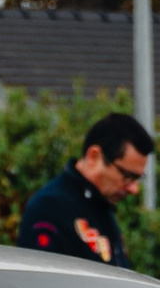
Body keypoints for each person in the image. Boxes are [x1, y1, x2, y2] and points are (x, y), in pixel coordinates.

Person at [19, 112, 153, 264]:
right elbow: (41, 282)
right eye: (128, 176)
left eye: (138, 179)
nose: (134, 189)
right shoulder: (50, 208)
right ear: (94, 157)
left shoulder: (100, 208)